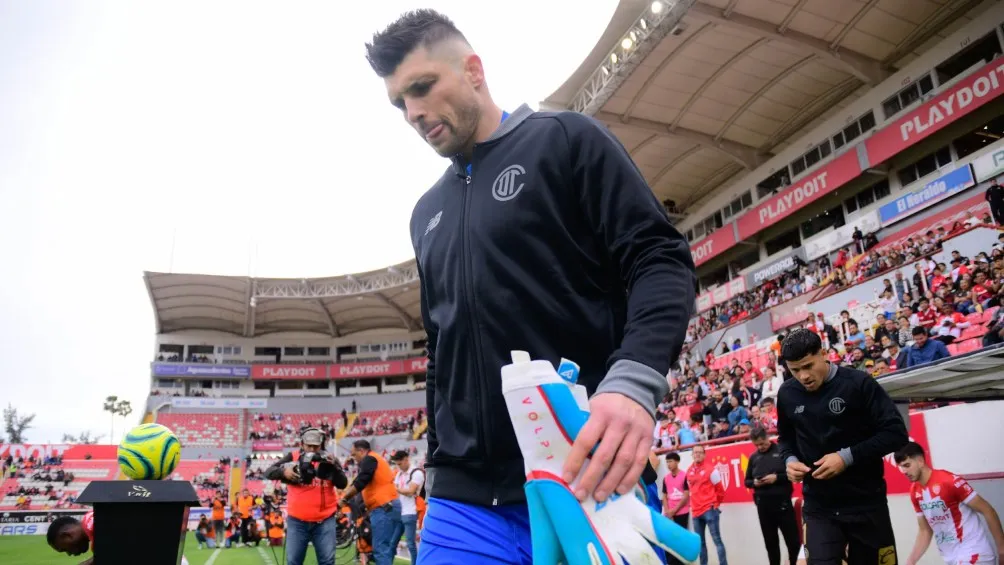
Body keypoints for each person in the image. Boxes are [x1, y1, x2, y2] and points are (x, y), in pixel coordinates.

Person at [364, 9, 694, 565]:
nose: (413, 112)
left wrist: (633, 384)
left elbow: (659, 258)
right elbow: (440, 347)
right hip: (463, 506)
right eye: (400, 102)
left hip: (588, 477)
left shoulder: (566, 139)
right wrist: (439, 460)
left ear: (473, 71)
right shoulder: (426, 214)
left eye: (422, 87)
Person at [777, 329, 909, 565]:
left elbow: (896, 433)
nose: (803, 376)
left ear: (824, 354)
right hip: (819, 507)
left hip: (866, 504)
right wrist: (789, 460)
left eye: (808, 366)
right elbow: (786, 439)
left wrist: (846, 457)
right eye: (795, 370)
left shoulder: (859, 384)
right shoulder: (787, 394)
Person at [894, 441, 1004, 565]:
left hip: (974, 554)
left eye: (907, 465)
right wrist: (910, 561)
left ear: (920, 461)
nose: (904, 471)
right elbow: (925, 530)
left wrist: (1002, 549)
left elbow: (988, 510)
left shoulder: (949, 481)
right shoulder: (915, 491)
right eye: (901, 467)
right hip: (951, 557)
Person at [264, 427, 348, 565]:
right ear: (302, 444)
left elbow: (343, 484)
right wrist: (284, 472)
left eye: (316, 446)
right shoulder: (293, 456)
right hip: (297, 522)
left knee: (327, 561)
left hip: (325, 520)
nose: (312, 449)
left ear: (321, 445)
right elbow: (268, 472)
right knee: (293, 561)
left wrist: (335, 468)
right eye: (309, 446)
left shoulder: (330, 458)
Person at [340, 439, 402, 565]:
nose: (353, 458)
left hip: (383, 507)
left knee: (380, 549)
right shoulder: (374, 459)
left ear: (361, 451)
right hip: (387, 506)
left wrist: (344, 498)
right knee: (385, 549)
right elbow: (359, 480)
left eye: (354, 454)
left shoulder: (369, 459)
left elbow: (361, 481)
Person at [48, 511, 190, 565]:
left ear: (67, 535)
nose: (70, 554)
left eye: (64, 549)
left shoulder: (93, 524)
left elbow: (119, 548)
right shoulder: (93, 525)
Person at [745, 426, 800, 565]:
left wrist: (776, 478)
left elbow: (792, 474)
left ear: (767, 437)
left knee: (793, 542)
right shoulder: (753, 457)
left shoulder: (781, 451)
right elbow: (747, 481)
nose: (760, 447)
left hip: (783, 504)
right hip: (763, 506)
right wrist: (755, 483)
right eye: (757, 445)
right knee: (770, 543)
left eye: (762, 443)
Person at [687, 445, 727, 565]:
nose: (697, 454)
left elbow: (720, 490)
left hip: (709, 509)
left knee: (717, 541)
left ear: (704, 455)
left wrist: (715, 504)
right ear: (692, 455)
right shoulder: (689, 470)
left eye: (700, 452)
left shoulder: (711, 470)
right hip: (696, 511)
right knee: (701, 544)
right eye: (695, 452)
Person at [391, 450, 425, 564]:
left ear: (406, 459)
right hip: (400, 511)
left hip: (410, 511)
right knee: (392, 543)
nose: (398, 466)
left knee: (410, 544)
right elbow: (396, 490)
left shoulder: (416, 472)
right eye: (397, 464)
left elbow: (410, 491)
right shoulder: (399, 474)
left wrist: (397, 489)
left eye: (400, 463)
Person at [662, 452, 691, 565]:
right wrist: (668, 511)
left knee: (680, 539)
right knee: (669, 539)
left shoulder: (684, 475)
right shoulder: (666, 478)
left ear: (677, 462)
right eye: (667, 462)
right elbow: (664, 495)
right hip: (669, 514)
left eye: (670, 461)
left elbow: (686, 495)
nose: (668, 464)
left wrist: (674, 510)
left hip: (682, 512)